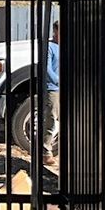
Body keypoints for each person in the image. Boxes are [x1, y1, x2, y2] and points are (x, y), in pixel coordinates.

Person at [43, 19, 61, 156]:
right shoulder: (50, 47)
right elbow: (47, 69)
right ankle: (45, 150)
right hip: (53, 88)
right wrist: (58, 81)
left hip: (63, 88)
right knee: (51, 117)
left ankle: (58, 149)